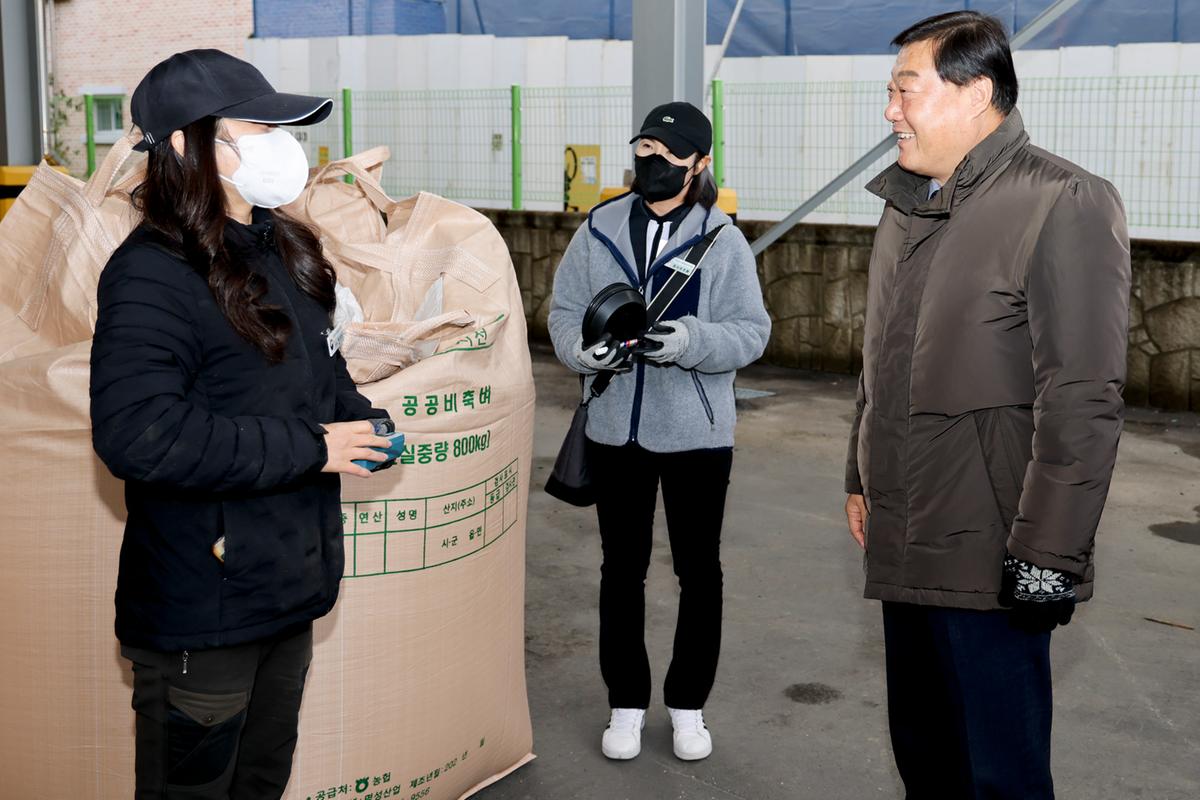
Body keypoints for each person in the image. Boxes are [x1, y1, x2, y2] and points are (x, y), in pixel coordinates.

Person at [89, 49, 395, 799]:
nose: (281, 142)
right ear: (191, 146)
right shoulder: (153, 272)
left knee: (261, 780)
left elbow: (322, 377)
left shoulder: (285, 248)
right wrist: (311, 447)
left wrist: (364, 423)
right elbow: (138, 432)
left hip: (290, 585)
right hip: (205, 606)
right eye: (259, 126)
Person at [843, 12, 1130, 799]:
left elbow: (1083, 398)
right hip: (907, 540)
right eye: (890, 91)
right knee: (926, 761)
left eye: (906, 89)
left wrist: (1047, 557)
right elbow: (882, 365)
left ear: (975, 94)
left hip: (996, 555)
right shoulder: (905, 209)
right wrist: (859, 475)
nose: (890, 109)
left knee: (999, 776)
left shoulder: (1063, 200)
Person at [548, 101, 771, 762]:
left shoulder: (721, 240)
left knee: (699, 572)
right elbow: (563, 310)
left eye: (670, 154)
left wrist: (691, 340)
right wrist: (582, 355)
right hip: (616, 431)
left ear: (699, 164)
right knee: (622, 569)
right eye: (645, 148)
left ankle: (687, 706)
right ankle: (625, 703)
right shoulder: (598, 228)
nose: (653, 161)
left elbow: (752, 332)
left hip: (697, 437)